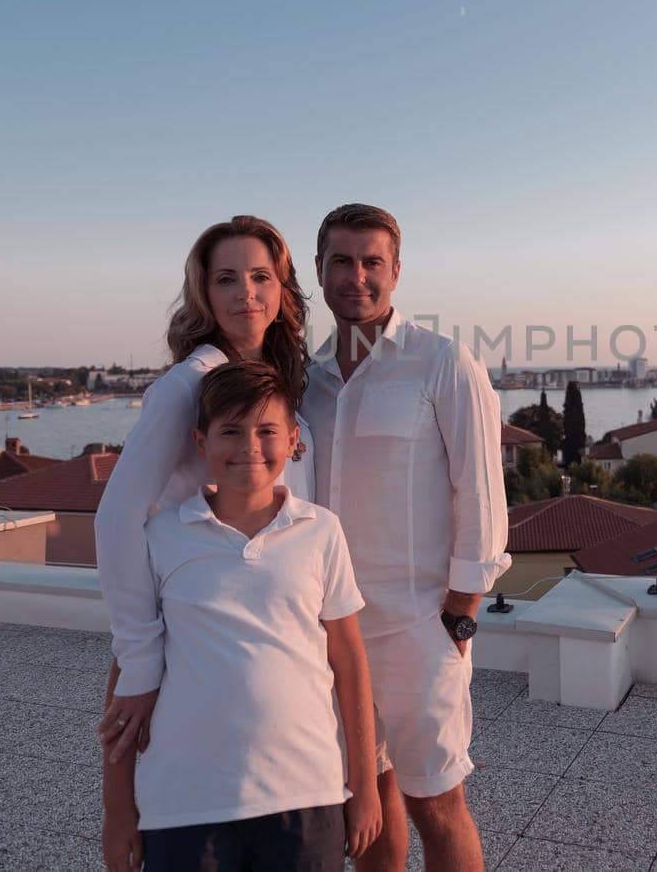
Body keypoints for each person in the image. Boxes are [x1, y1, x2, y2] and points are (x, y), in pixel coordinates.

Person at [100, 361, 380, 871]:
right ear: (200, 441)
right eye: (230, 430)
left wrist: (364, 787)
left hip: (306, 796)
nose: (250, 445)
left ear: (294, 441)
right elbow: (130, 662)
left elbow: (350, 662)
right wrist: (118, 810)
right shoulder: (162, 536)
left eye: (267, 430)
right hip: (184, 804)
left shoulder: (321, 532)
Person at [302, 203, 511, 872]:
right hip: (329, 630)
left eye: (371, 262)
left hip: (418, 626)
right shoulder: (309, 380)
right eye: (341, 260)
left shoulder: (442, 362)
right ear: (319, 269)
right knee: (367, 793)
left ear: (395, 270)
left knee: (437, 803)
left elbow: (480, 496)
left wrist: (460, 616)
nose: (356, 276)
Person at [95, 215, 314, 764]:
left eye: (261, 276)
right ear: (204, 293)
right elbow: (117, 518)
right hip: (194, 626)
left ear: (281, 287)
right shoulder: (186, 386)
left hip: (270, 623)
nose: (247, 292)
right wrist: (140, 658)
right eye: (226, 279)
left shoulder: (274, 380)